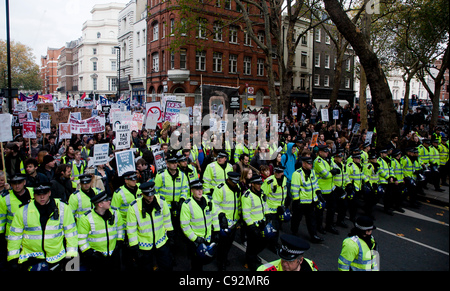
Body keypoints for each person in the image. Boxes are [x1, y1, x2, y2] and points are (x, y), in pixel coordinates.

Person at [7, 182, 78, 271]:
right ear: (33, 195)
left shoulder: (63, 207)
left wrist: (71, 255)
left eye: (44, 194)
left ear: (49, 193)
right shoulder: (23, 210)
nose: (42, 197)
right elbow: (15, 236)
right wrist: (13, 258)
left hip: (57, 257)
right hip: (31, 258)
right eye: (38, 194)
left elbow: (71, 233)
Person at [127, 181, 174, 271]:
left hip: (161, 242)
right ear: (142, 194)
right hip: (144, 245)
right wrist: (134, 246)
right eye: (148, 195)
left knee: (167, 266)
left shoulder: (161, 201)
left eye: (152, 194)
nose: (151, 197)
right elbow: (131, 228)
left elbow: (167, 219)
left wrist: (170, 234)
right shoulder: (134, 207)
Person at [77, 190, 124, 271]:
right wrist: (90, 253)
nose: (109, 201)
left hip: (113, 254)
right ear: (100, 204)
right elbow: (81, 239)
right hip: (96, 258)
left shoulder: (115, 213)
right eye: (106, 200)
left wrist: (119, 242)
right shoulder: (86, 218)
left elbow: (120, 228)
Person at [180, 179, 219, 271]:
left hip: (207, 238)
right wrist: (195, 238)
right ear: (192, 190)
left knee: (206, 259)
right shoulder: (187, 205)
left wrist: (216, 231)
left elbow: (214, 216)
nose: (200, 191)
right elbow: (185, 226)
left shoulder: (208, 200)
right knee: (196, 265)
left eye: (201, 188)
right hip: (195, 241)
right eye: (197, 189)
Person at [211, 172, 241, 271]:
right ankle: (221, 262)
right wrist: (221, 215)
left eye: (237, 182)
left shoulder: (237, 188)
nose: (235, 184)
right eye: (234, 182)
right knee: (223, 244)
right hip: (224, 222)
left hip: (234, 222)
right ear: (228, 180)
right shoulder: (220, 188)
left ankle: (224, 258)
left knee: (229, 244)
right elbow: (214, 204)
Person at [290, 157, 324, 243]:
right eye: (308, 163)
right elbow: (294, 188)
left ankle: (313, 235)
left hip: (310, 201)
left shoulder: (312, 172)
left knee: (311, 219)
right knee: (297, 218)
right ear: (303, 163)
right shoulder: (297, 174)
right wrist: (296, 200)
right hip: (301, 201)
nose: (311, 165)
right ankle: (294, 232)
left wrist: (318, 193)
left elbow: (315, 184)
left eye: (311, 163)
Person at [241, 174, 270, 271]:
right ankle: (249, 262)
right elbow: (246, 214)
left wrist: (267, 216)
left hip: (262, 224)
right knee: (251, 246)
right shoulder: (247, 196)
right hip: (252, 226)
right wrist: (252, 227)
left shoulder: (261, 193)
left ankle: (253, 256)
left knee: (262, 243)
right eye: (257, 184)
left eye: (260, 184)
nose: (259, 185)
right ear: (252, 184)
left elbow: (264, 206)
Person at [261, 165, 289, 252]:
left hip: (280, 209)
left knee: (277, 227)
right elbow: (262, 195)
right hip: (271, 210)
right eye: (276, 172)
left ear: (283, 173)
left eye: (279, 172)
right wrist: (266, 210)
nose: (277, 174)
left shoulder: (284, 179)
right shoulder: (269, 181)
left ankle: (273, 242)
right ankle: (273, 245)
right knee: (274, 228)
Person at [313, 145, 340, 235]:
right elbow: (325, 174)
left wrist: (333, 172)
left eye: (327, 151)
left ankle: (329, 225)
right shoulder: (318, 161)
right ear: (320, 152)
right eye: (325, 152)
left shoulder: (328, 160)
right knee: (320, 211)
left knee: (332, 209)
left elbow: (337, 169)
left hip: (330, 189)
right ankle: (319, 227)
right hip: (321, 190)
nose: (327, 153)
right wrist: (333, 172)